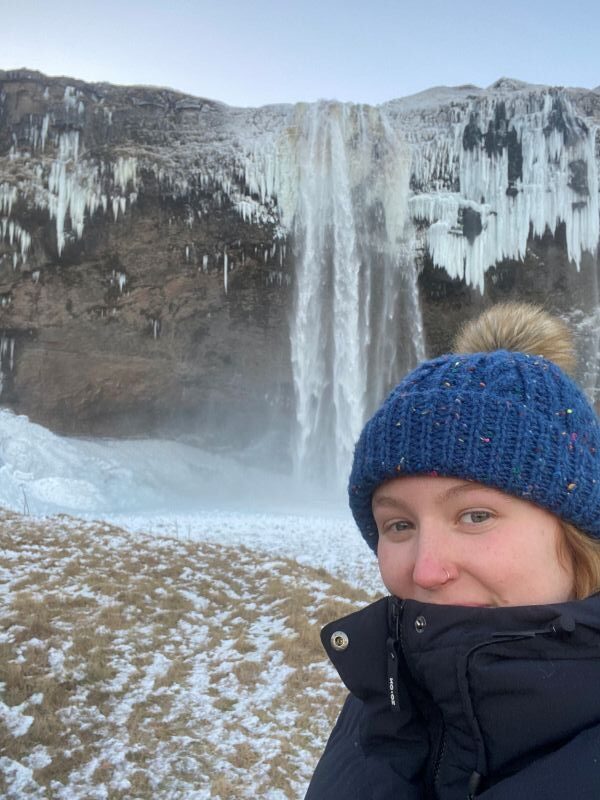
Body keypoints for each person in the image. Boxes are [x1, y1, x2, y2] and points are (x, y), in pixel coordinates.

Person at [305, 303, 600, 800]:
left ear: (578, 531)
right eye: (398, 524)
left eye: (475, 516)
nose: (426, 569)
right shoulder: (385, 698)